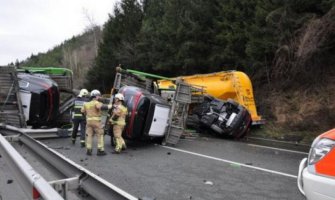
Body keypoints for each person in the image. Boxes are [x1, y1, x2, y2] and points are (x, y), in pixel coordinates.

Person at [81, 89, 112, 156]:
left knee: (89, 135)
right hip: (96, 122)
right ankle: (100, 150)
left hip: (88, 122)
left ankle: (89, 150)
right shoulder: (96, 103)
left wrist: (87, 118)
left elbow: (82, 111)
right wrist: (110, 106)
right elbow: (102, 107)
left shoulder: (86, 104)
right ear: (96, 96)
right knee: (100, 135)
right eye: (98, 96)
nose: (99, 97)